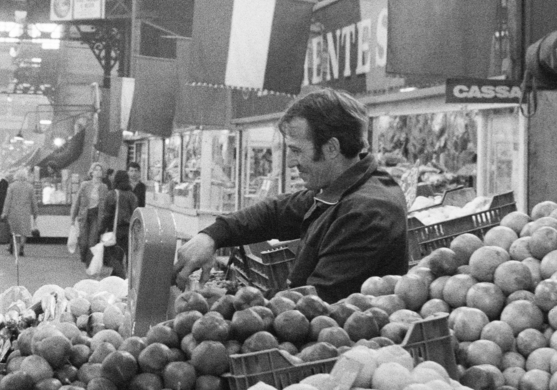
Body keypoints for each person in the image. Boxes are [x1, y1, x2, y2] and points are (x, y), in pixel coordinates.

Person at [173, 89, 409, 300]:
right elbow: (277, 211)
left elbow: (317, 302)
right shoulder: (343, 186)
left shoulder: (366, 210)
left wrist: (228, 297)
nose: (290, 162)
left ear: (332, 148)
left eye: (296, 150)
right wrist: (212, 236)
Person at [97, 170, 140, 277]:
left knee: (113, 258)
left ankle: (122, 279)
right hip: (130, 231)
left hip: (116, 231)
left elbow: (107, 215)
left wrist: (101, 230)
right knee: (125, 257)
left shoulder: (112, 195)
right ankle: (121, 280)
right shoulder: (133, 196)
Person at [70, 163, 108, 267]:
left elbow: (106, 205)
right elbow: (77, 201)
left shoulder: (104, 187)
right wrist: (72, 217)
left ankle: (89, 262)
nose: (98, 171)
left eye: (100, 170)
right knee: (83, 242)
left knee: (92, 241)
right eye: (96, 169)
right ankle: (83, 255)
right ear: (91, 172)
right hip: (84, 215)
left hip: (96, 215)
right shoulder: (85, 185)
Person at [4, 169, 39, 256]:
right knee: (24, 231)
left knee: (13, 230)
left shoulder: (12, 186)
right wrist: (35, 212)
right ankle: (22, 248)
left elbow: (7, 201)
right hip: (25, 212)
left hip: (13, 211)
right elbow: (34, 201)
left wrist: (5, 212)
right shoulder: (30, 187)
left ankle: (12, 246)